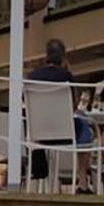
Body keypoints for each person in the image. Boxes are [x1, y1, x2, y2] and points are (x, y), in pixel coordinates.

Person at [25, 38, 93, 189]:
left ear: (46, 56)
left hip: (38, 135)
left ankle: (39, 177)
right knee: (85, 127)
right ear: (63, 57)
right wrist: (67, 70)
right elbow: (73, 105)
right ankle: (83, 183)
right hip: (65, 133)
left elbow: (26, 103)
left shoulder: (31, 77)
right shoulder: (66, 76)